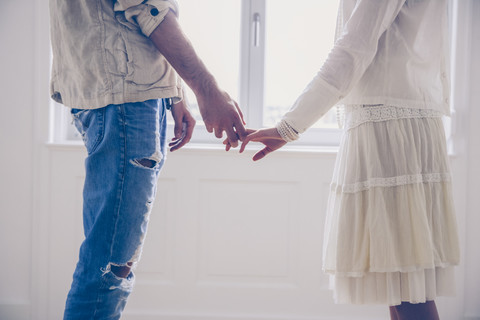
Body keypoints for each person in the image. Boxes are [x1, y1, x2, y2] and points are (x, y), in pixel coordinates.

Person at [238, 0, 460, 319]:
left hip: (390, 126)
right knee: (399, 285)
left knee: (407, 291)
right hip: (408, 117)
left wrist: (289, 125)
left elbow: (353, 49)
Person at [49, 0, 246, 319]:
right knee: (108, 268)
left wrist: (175, 91)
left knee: (109, 259)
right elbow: (148, 9)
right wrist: (208, 91)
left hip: (117, 93)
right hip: (126, 96)